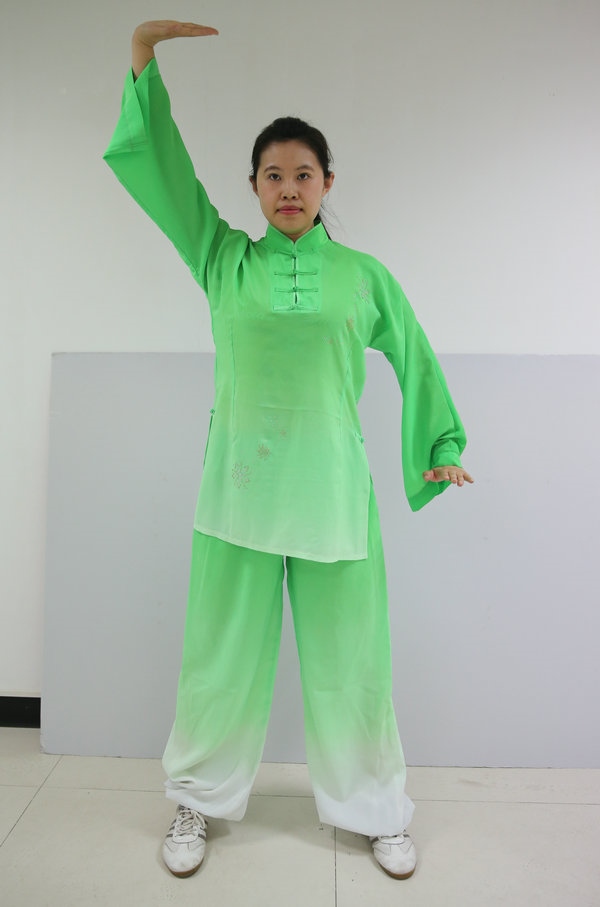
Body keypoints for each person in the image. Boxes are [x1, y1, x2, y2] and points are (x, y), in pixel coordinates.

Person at [104, 20, 473, 882]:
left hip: (333, 492)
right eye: (273, 175)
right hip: (238, 490)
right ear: (254, 188)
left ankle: (376, 806)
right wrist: (142, 61)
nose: (289, 187)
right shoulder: (222, 258)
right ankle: (196, 798)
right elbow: (167, 176)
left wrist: (439, 441)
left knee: (354, 664)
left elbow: (413, 352)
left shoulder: (364, 276)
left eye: (304, 173)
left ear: (327, 182)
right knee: (220, 659)